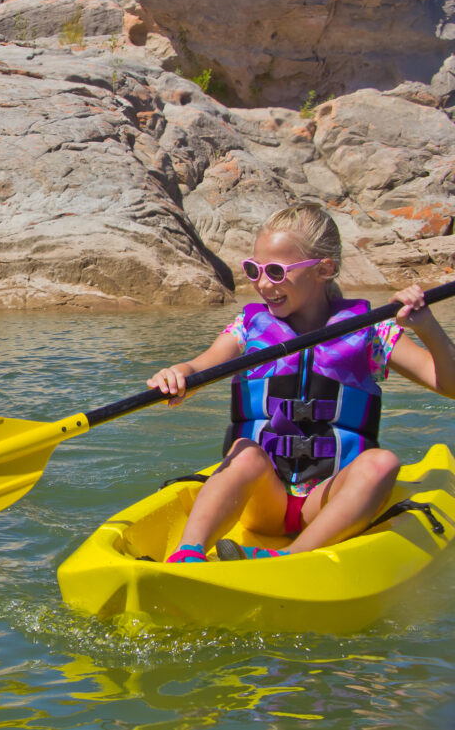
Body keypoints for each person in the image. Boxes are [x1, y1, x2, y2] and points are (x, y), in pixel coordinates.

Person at [147, 203, 455, 562]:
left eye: (277, 272)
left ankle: (293, 558)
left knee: (382, 463)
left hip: (327, 500)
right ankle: (188, 553)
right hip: (263, 498)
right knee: (244, 454)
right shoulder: (248, 328)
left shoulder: (372, 332)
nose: (263, 284)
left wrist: (427, 328)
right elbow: (197, 369)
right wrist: (176, 375)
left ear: (325, 269)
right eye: (254, 269)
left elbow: (447, 384)